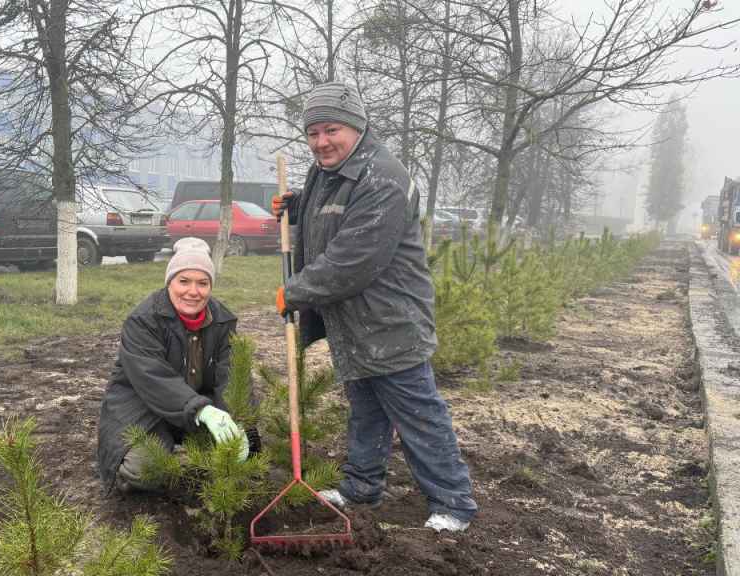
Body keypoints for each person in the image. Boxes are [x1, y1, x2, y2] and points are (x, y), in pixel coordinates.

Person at [272, 82, 478, 532]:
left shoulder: (383, 177)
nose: (322, 142)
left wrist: (297, 291)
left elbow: (355, 257)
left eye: (331, 130)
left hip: (390, 321)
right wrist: (297, 205)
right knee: (366, 410)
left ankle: (453, 504)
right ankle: (361, 488)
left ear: (357, 127)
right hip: (354, 321)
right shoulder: (327, 171)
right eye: (313, 133)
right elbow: (332, 213)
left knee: (418, 415)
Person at [96, 237, 252, 493]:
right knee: (146, 469)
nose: (193, 291)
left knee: (240, 457)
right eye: (184, 281)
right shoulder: (144, 320)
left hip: (196, 410)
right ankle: (134, 467)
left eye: (203, 283)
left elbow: (232, 374)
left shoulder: (222, 320)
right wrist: (203, 411)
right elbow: (152, 378)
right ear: (170, 282)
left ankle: (186, 450)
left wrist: (240, 420)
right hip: (142, 410)